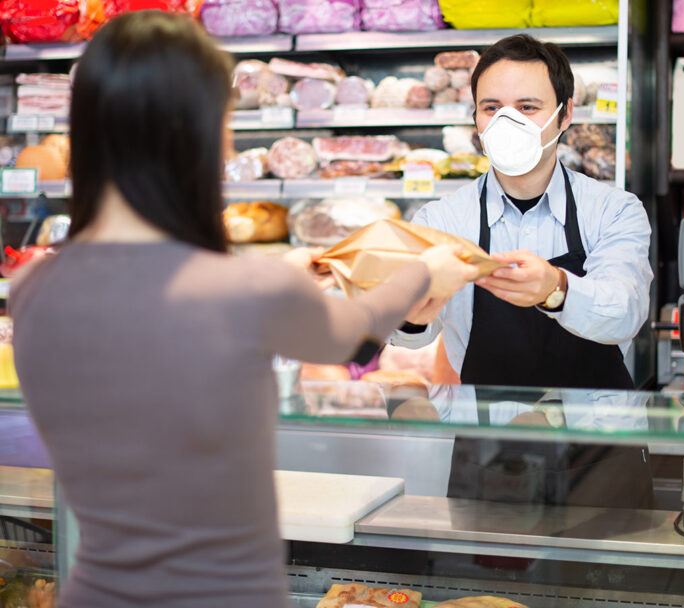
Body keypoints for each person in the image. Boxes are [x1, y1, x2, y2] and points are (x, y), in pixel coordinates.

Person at [9, 11, 477, 607]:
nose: (229, 144)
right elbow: (356, 335)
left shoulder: (34, 288)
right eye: (226, 123)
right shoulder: (243, 291)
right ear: (193, 134)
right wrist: (424, 271)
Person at [390, 34, 655, 508]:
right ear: (475, 116)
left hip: (599, 452)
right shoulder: (441, 220)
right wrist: (410, 311)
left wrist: (556, 289)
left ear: (566, 113)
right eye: (492, 107)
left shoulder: (613, 210)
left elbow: (626, 313)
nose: (507, 121)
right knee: (483, 581)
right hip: (488, 451)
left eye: (527, 107)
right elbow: (411, 338)